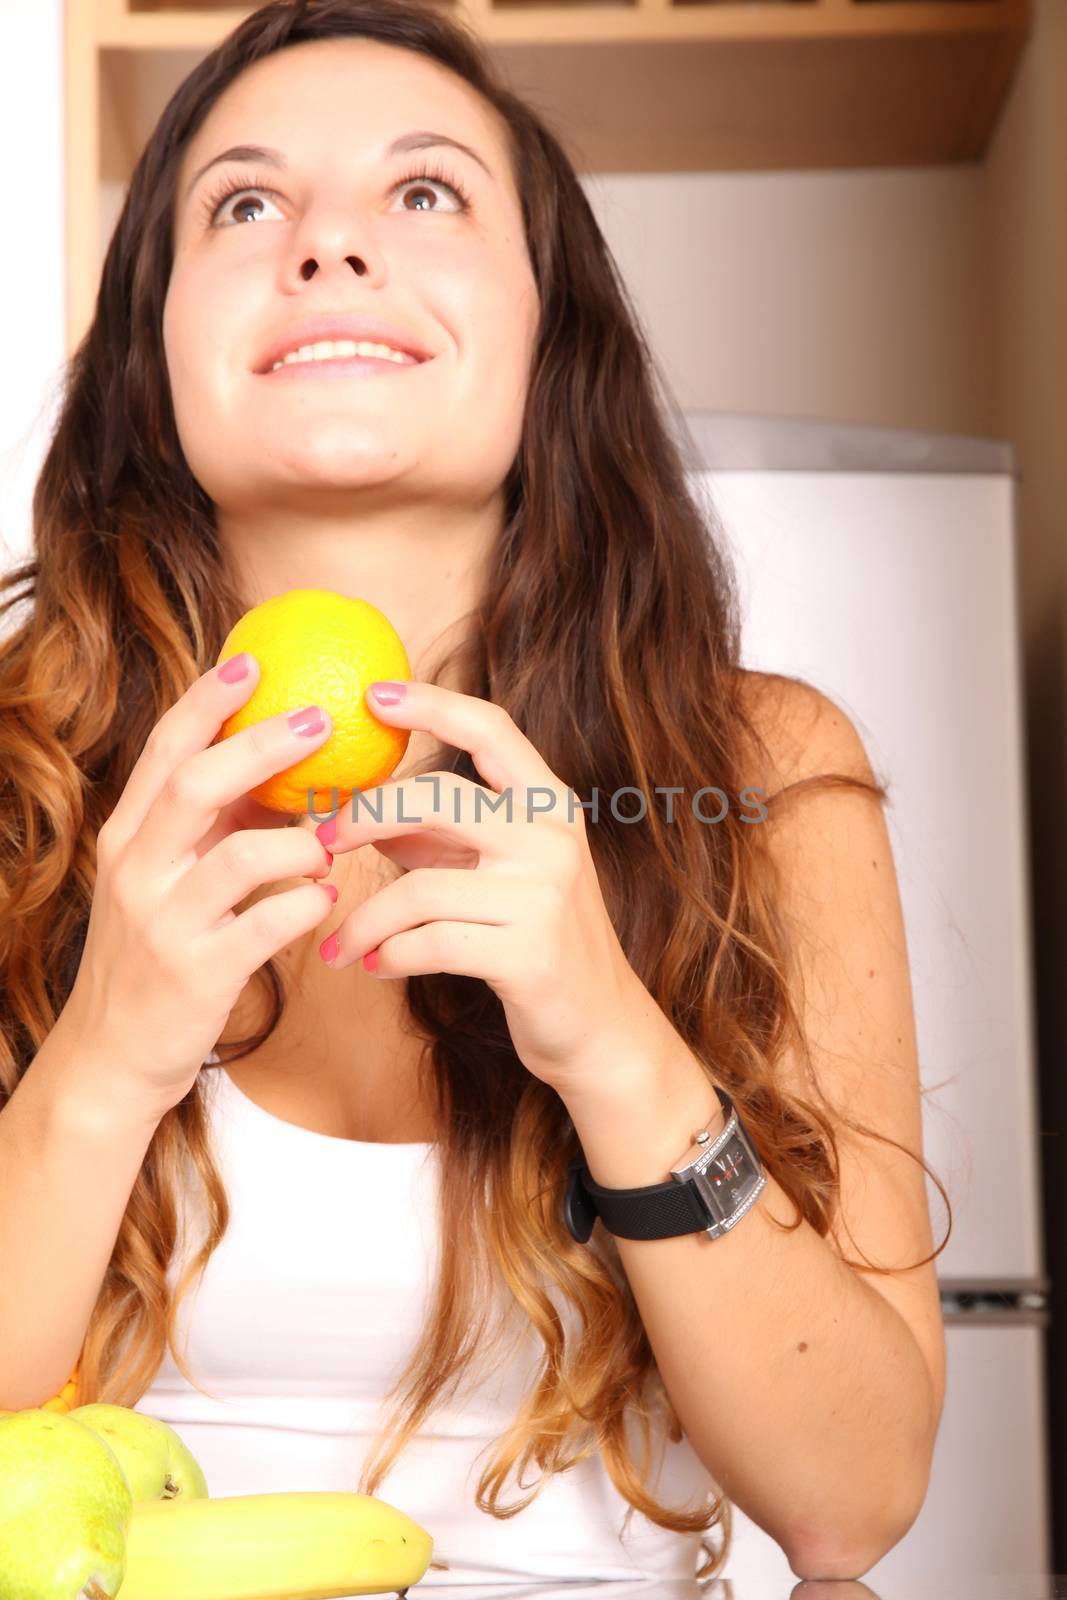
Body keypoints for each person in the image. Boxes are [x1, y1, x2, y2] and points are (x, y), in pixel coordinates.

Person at [0, 0, 951, 1583]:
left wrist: (618, 1053)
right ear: (152, 347)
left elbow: (853, 1498)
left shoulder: (765, 777)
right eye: (246, 204)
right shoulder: (17, 782)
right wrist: (101, 1063)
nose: (327, 248)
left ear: (545, 322)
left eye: (424, 192)